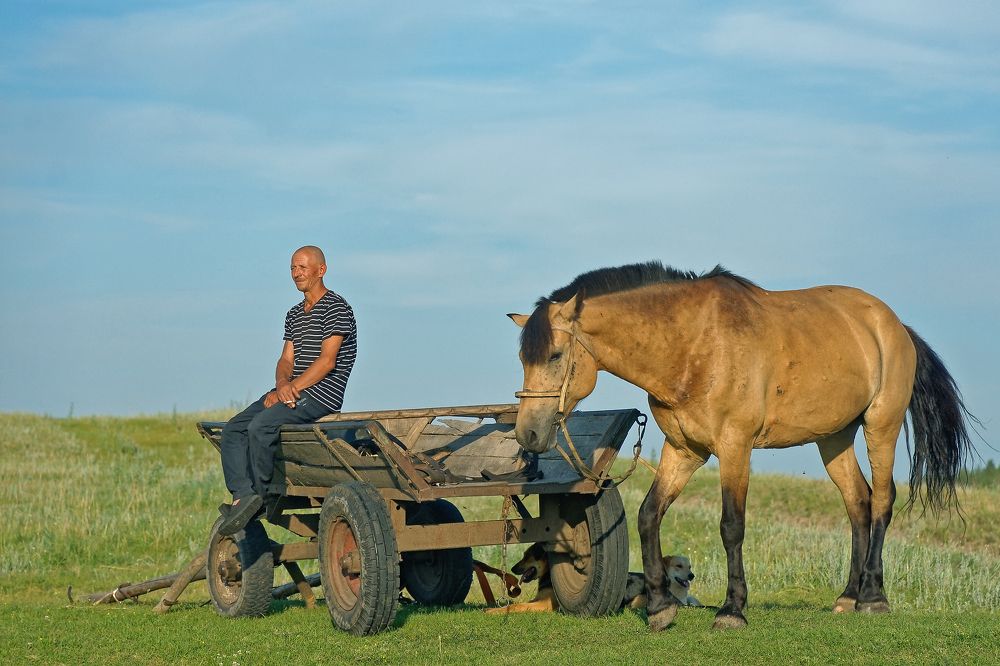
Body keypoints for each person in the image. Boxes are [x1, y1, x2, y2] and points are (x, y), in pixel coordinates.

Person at [217, 245, 357, 535]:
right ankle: (243, 496)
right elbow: (286, 359)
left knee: (260, 427)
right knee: (233, 429)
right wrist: (282, 385)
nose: (296, 274)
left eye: (303, 268)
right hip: (292, 390)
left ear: (321, 270)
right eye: (293, 268)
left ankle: (263, 497)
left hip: (321, 394)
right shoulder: (294, 314)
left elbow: (327, 361)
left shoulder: (336, 307)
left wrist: (291, 388)